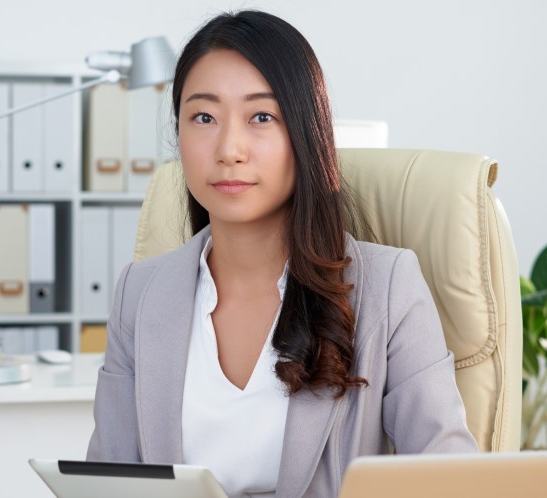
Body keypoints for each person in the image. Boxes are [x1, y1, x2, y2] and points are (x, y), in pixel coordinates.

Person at [87, 9, 478, 497]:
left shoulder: (388, 287)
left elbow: (452, 480)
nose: (229, 148)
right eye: (203, 117)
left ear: (306, 135)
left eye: (262, 117)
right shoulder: (139, 293)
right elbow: (108, 481)